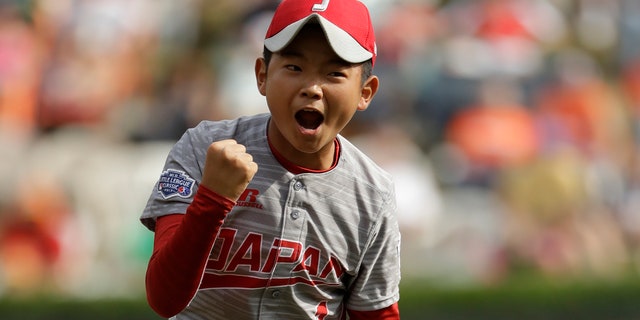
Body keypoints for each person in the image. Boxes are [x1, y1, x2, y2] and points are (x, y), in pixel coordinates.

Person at [140, 0, 401, 319]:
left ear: (366, 92)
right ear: (262, 75)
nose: (312, 88)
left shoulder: (373, 195)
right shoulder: (205, 147)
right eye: (294, 67)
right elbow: (163, 297)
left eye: (334, 73)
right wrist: (213, 199)